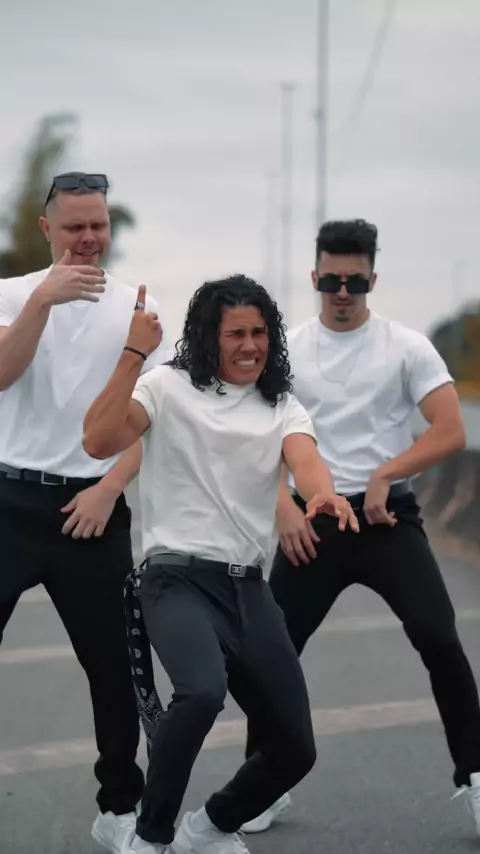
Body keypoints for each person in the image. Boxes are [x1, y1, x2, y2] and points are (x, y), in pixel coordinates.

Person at [82, 274, 359, 854]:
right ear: (210, 336)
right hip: (175, 578)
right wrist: (133, 352)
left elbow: (306, 462)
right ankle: (150, 837)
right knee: (202, 691)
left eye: (260, 333)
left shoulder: (281, 406)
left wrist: (322, 496)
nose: (250, 345)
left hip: (249, 589)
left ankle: (208, 826)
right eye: (236, 334)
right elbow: (98, 440)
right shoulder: (165, 386)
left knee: (296, 747)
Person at [241, 218, 480, 838]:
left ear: (373, 280)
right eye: (331, 280)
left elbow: (450, 430)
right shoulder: (289, 350)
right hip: (312, 523)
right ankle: (261, 784)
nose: (342, 292)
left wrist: (387, 472)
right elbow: (255, 440)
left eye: (354, 281)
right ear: (313, 276)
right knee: (272, 653)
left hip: (386, 520)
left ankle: (477, 774)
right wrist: (284, 509)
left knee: (439, 638)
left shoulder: (406, 347)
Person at [0, 172, 171, 854]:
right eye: (75, 226)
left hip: (92, 508)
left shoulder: (138, 308)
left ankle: (119, 809)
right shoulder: (12, 295)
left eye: (98, 224)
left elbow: (153, 420)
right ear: (48, 229)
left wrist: (109, 488)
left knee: (116, 667)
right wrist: (42, 299)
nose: (89, 238)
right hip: (8, 500)